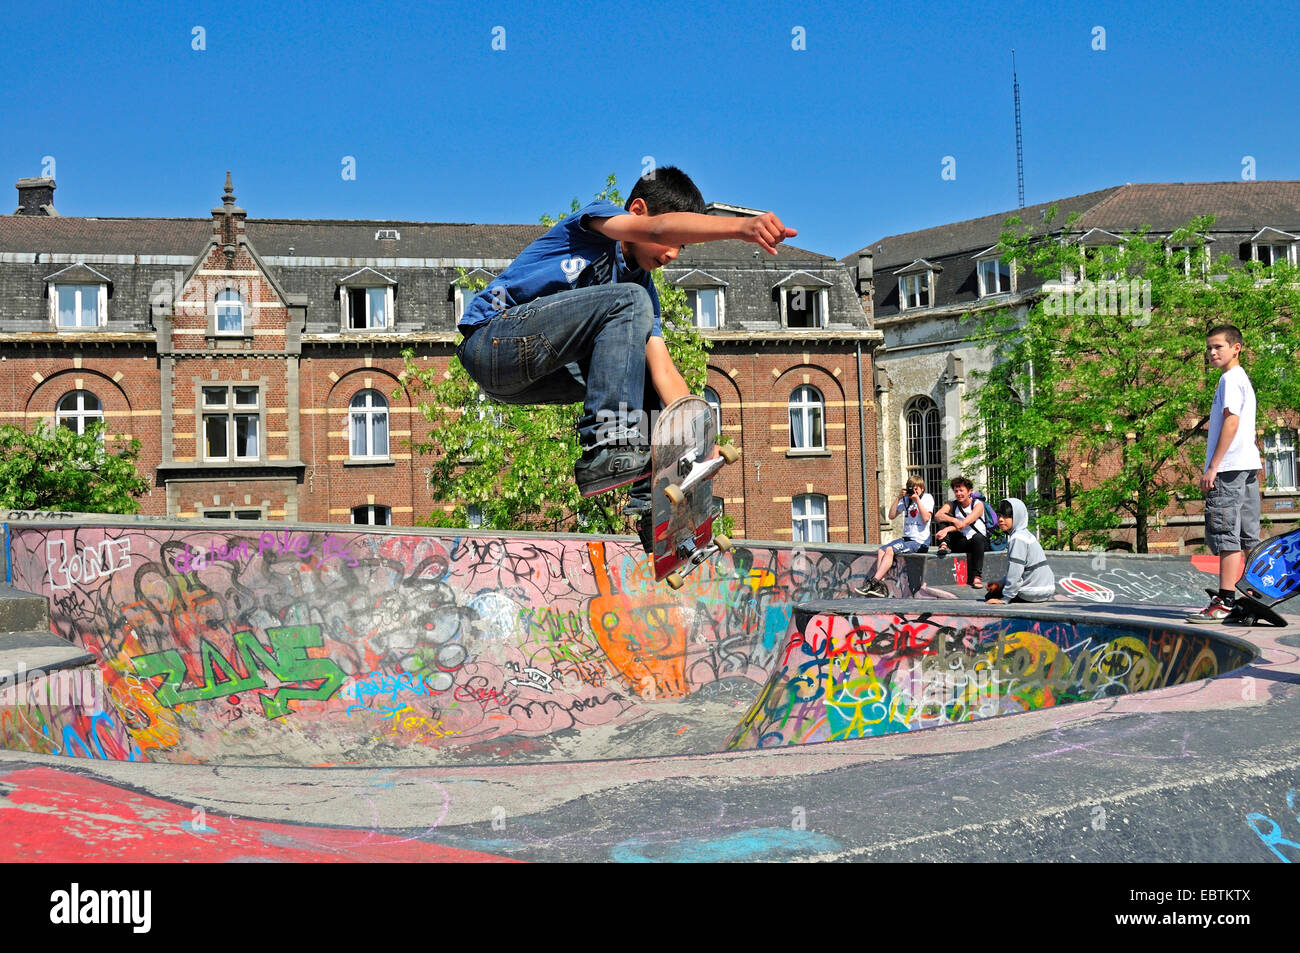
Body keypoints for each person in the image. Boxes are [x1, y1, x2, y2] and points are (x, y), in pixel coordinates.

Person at [455, 167, 796, 548]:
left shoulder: (641, 292)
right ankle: (608, 445)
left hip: (525, 381)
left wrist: (699, 437)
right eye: (672, 240)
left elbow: (664, 370)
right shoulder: (596, 223)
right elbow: (653, 230)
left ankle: (654, 510)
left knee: (648, 372)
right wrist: (738, 228)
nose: (671, 253)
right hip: (492, 341)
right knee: (628, 301)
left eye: (681, 248)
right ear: (637, 211)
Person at [1186, 324, 1263, 623]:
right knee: (1247, 536)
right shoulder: (1243, 379)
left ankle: (1226, 601)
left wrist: (1213, 466)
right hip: (1247, 465)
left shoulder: (1230, 379)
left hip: (1229, 468)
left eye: (1218, 346)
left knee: (1225, 534)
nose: (1212, 353)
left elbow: (1231, 422)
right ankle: (1252, 596)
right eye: (1209, 348)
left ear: (1236, 348)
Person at [852, 476, 933, 596]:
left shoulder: (927, 498)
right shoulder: (906, 500)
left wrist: (917, 500)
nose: (914, 492)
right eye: (912, 489)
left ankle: (873, 582)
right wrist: (899, 498)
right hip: (906, 539)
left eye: (917, 489)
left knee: (889, 550)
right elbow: (891, 515)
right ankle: (880, 586)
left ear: (922, 488)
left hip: (919, 541)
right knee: (881, 550)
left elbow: (926, 518)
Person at [984, 499, 1055, 603]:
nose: (1000, 519)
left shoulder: (1017, 539)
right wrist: (1001, 583)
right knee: (998, 588)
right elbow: (1020, 570)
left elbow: (1015, 572)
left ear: (1017, 517)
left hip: (1032, 592)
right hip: (1047, 590)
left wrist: (1005, 599)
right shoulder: (1026, 534)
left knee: (989, 596)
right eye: (999, 515)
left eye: (1005, 516)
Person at [934, 476, 989, 589]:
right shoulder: (953, 504)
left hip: (979, 543)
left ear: (969, 491)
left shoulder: (978, 505)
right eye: (956, 491)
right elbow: (937, 515)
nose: (958, 493)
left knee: (977, 538)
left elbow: (964, 524)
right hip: (963, 541)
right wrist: (953, 520)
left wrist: (947, 529)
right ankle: (944, 544)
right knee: (945, 518)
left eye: (961, 490)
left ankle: (977, 576)